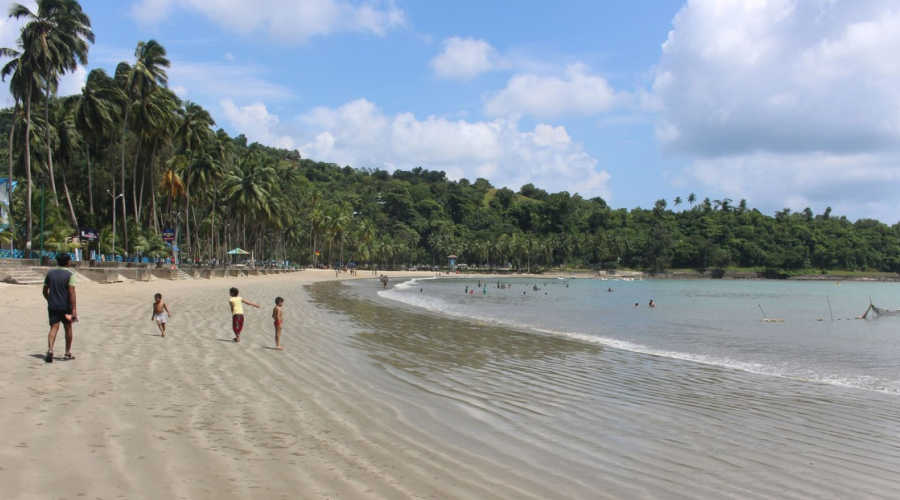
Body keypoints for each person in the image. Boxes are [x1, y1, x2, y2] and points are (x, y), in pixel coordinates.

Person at [43, 253, 77, 362]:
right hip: (66, 307)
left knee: (54, 327)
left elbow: (44, 291)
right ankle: (67, 353)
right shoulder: (70, 275)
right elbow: (71, 292)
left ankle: (50, 349)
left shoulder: (50, 273)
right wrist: (74, 308)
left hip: (53, 306)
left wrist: (50, 299)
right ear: (67, 262)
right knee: (68, 328)